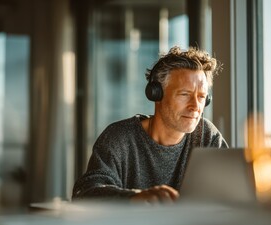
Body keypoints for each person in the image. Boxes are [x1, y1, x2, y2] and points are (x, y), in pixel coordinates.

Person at [72, 46, 228, 204]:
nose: (195, 106)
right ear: (156, 94)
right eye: (184, 94)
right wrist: (135, 198)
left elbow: (231, 192)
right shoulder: (119, 138)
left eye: (201, 97)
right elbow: (84, 193)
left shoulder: (207, 136)